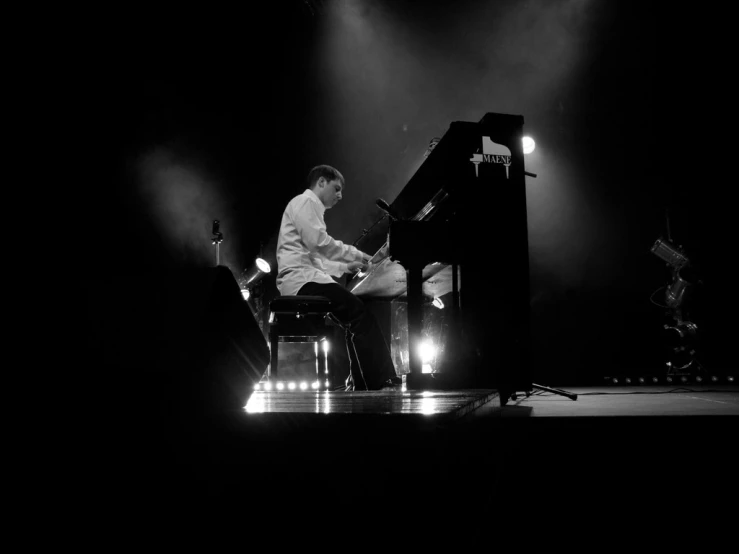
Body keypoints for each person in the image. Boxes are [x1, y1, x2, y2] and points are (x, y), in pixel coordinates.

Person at [275, 164, 399, 390]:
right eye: (337, 188)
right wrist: (359, 255)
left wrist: (349, 266)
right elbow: (320, 243)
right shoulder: (306, 202)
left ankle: (362, 382)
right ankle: (378, 381)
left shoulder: (307, 207)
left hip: (304, 278)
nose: (340, 195)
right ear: (321, 182)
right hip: (303, 282)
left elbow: (316, 258)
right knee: (361, 315)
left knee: (356, 317)